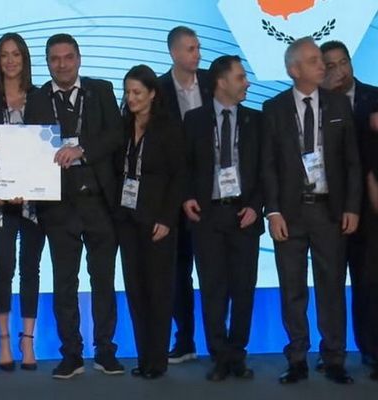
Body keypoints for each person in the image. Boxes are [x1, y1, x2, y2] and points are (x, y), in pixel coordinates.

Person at [261, 37, 361, 385]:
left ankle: (334, 358)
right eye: (314, 60)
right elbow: (268, 165)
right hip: (290, 213)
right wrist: (273, 212)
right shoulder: (274, 108)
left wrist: (352, 207)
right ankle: (297, 358)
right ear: (294, 69)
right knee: (292, 289)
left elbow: (352, 162)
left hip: (328, 210)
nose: (323, 66)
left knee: (331, 286)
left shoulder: (338, 104)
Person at [25, 33, 125, 379]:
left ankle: (106, 350)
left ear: (79, 59)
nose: (62, 64)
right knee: (64, 282)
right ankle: (71, 353)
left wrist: (82, 149)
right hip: (59, 205)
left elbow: (116, 135)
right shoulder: (36, 99)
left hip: (99, 201)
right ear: (47, 63)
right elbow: (29, 148)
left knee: (103, 279)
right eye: (55, 59)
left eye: (68, 57)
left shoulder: (101, 90)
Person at [183, 55, 263, 381]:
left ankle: (237, 354)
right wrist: (187, 196)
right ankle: (219, 355)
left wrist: (257, 206)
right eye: (241, 77)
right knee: (213, 289)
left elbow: (266, 169)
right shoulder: (195, 119)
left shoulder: (256, 120)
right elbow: (184, 166)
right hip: (208, 214)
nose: (247, 83)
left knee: (243, 289)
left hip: (245, 214)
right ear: (221, 82)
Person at [0, 33, 45, 372]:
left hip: (34, 201)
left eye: (16, 54)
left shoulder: (41, 96)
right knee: (4, 266)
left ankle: (27, 340)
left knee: (31, 267)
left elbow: (47, 145)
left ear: (25, 58)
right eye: (4, 55)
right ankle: (3, 339)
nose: (10, 60)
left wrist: (31, 186)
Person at [115, 65, 185, 379]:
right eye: (127, 92)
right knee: (135, 290)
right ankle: (144, 357)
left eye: (137, 92)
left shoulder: (168, 127)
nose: (131, 98)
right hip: (128, 219)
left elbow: (179, 176)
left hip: (158, 220)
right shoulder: (123, 125)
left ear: (153, 93)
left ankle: (158, 360)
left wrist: (168, 218)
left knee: (158, 292)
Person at [320, 40, 378, 372]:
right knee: (330, 282)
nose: (340, 71)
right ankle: (333, 350)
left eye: (344, 62)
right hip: (328, 206)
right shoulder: (318, 103)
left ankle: (371, 348)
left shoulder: (374, 98)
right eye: (331, 66)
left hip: (370, 208)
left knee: (369, 280)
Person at [158, 25, 212, 364]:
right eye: (191, 49)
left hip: (212, 193)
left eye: (198, 48)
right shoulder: (158, 90)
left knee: (215, 271)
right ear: (174, 52)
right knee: (178, 273)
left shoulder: (213, 82)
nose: (197, 55)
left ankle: (222, 343)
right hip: (173, 197)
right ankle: (185, 339)